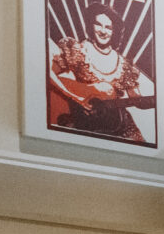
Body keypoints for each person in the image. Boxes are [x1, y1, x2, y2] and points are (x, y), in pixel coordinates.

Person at [47, 8, 152, 142]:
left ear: (114, 31)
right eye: (98, 24)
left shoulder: (125, 64)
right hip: (82, 120)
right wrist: (75, 97)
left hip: (119, 123)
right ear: (91, 25)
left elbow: (137, 99)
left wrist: (158, 100)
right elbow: (48, 74)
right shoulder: (77, 50)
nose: (103, 31)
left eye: (108, 27)